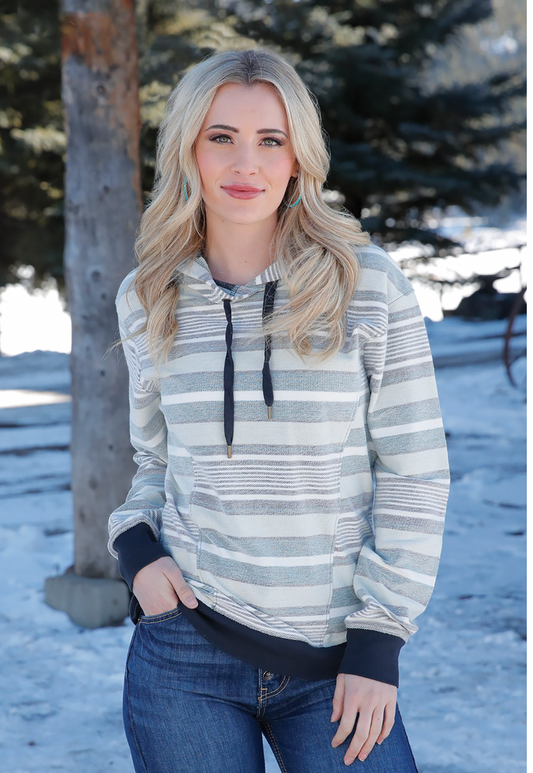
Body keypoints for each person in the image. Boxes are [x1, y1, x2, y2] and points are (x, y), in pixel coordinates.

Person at [107, 48, 450, 772]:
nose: (246, 163)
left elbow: (414, 472)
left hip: (335, 661)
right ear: (188, 151)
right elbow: (155, 458)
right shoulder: (148, 296)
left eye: (271, 140)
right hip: (185, 650)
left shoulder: (365, 287)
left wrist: (378, 640)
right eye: (221, 137)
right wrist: (137, 550)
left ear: (298, 159)